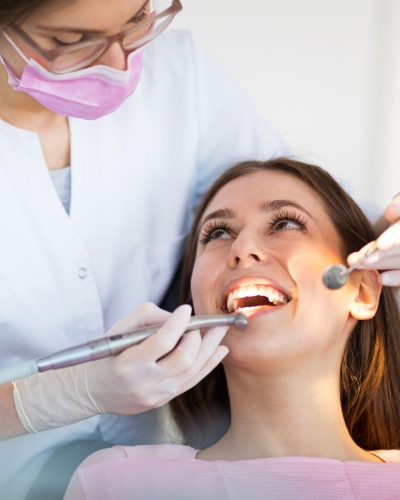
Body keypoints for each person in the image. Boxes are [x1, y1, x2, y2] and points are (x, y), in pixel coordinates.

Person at [0, 0, 288, 497]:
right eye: (70, 41)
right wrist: (47, 399)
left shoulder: (180, 76)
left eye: (136, 21)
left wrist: (382, 224)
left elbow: (286, 199)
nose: (118, 67)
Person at [64, 158, 400, 500]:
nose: (241, 250)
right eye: (218, 233)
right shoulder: (117, 483)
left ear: (361, 292)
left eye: (284, 223)